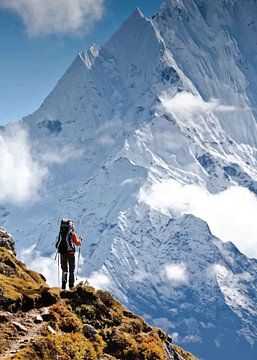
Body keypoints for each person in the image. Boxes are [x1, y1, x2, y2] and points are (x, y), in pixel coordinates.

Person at [56, 219, 81, 290]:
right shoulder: (72, 233)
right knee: (71, 270)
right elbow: (77, 243)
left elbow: (58, 243)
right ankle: (71, 286)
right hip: (71, 253)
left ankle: (63, 286)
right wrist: (80, 240)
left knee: (64, 270)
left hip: (62, 253)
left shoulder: (61, 233)